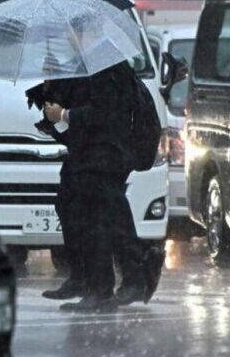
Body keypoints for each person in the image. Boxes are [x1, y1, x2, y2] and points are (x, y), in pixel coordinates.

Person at [36, 60, 154, 312]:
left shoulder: (105, 68)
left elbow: (105, 114)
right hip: (89, 154)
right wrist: (50, 95)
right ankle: (109, 281)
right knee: (94, 215)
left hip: (105, 155)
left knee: (97, 222)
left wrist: (64, 114)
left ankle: (105, 288)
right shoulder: (86, 66)